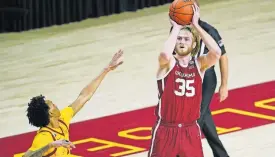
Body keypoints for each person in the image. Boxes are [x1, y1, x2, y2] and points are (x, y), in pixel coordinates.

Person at [148, 4, 221, 157]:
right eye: (179, 39)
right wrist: (176, 28)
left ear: (194, 44)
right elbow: (165, 55)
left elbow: (216, 53)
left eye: (186, 39)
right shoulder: (168, 64)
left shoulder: (199, 65)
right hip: (166, 130)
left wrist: (196, 25)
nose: (182, 41)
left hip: (190, 130)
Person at [22, 50, 124, 157]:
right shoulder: (44, 137)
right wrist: (50, 145)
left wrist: (106, 70)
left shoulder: (62, 119)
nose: (55, 104)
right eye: (52, 104)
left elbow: (84, 96)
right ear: (50, 113)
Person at [194, 0, 230, 156]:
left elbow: (223, 57)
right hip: (190, 76)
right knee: (205, 119)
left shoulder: (209, 30)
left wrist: (224, 84)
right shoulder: (178, 31)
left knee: (195, 118)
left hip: (207, 78)